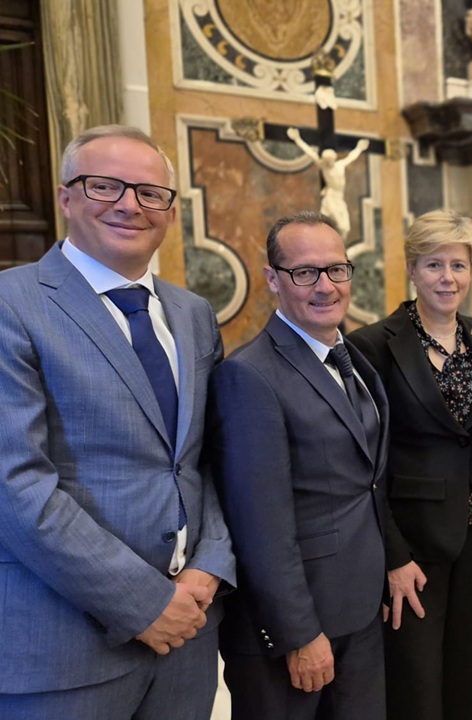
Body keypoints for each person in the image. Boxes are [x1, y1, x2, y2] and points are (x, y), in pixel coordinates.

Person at [0, 124, 234, 718]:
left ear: (171, 210)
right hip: (65, 648)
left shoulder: (194, 314)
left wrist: (209, 567)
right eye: (105, 185)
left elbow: (212, 459)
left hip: (188, 638)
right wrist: (144, 603)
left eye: (150, 192)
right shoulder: (12, 304)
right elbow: (15, 486)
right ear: (65, 197)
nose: (130, 204)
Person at [210, 212, 389, 720]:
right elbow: (260, 525)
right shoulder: (249, 376)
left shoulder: (351, 356)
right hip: (294, 629)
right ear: (272, 279)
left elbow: (366, 482)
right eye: (305, 272)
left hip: (356, 608)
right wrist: (299, 634)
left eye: (336, 270)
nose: (326, 286)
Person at [347, 210, 472, 719]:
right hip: (412, 545)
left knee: (467, 678)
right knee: (414, 687)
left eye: (458, 265)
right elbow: (366, 463)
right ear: (412, 270)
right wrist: (392, 555)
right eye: (434, 265)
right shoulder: (373, 345)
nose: (447, 278)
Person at [286, 127, 369, 240]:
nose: (329, 162)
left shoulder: (340, 165)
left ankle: (339, 246)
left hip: (339, 197)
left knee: (345, 227)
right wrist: (297, 139)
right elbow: (310, 152)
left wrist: (359, 148)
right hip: (331, 196)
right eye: (327, 160)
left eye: (330, 160)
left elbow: (351, 157)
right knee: (329, 223)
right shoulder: (324, 167)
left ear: (334, 158)